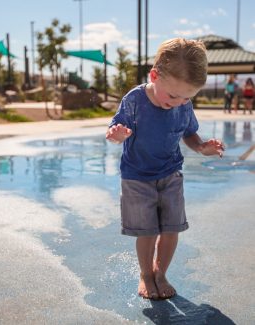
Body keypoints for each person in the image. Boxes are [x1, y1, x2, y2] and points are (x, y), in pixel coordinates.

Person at [106, 38, 224, 300]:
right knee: (147, 231)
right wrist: (117, 135)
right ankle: (146, 274)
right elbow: (115, 130)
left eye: (187, 97)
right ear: (155, 75)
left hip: (171, 173)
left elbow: (190, 134)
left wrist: (202, 147)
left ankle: (161, 272)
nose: (179, 102)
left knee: (171, 228)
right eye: (173, 95)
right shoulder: (135, 100)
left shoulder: (183, 104)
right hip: (137, 177)